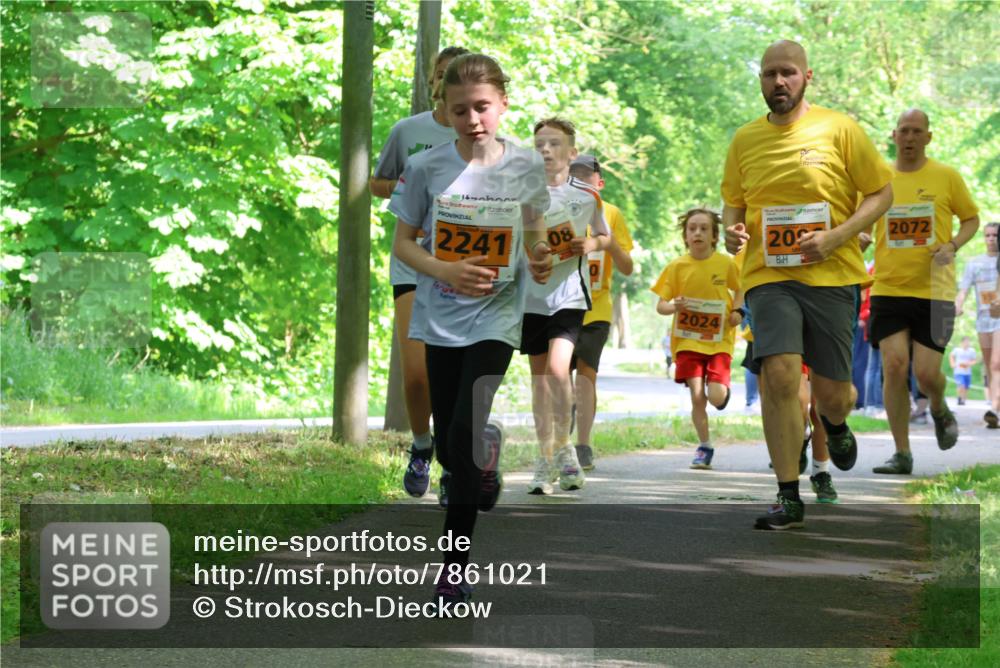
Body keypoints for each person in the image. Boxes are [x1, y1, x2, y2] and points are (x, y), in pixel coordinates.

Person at [390, 53, 551, 607]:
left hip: (497, 318)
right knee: (451, 443)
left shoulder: (526, 166)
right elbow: (403, 243)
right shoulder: (429, 167)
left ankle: (452, 568)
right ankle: (480, 460)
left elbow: (535, 235)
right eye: (460, 111)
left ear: (503, 103)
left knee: (460, 429)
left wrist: (543, 256)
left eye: (482, 107)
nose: (473, 119)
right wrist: (443, 269)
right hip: (439, 317)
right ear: (446, 112)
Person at [723, 40, 894, 529]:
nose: (778, 82)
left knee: (834, 393)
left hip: (832, 275)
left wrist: (838, 236)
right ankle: (787, 494)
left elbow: (882, 192)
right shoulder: (744, 140)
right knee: (778, 375)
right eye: (769, 74)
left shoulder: (839, 129)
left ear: (806, 77)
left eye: (788, 73)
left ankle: (835, 425)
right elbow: (733, 202)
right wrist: (731, 229)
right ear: (760, 79)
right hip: (768, 276)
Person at [371, 46, 470, 504]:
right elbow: (377, 182)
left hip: (465, 269)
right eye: (443, 73)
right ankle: (421, 446)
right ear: (434, 80)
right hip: (412, 260)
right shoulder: (408, 131)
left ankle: (454, 466)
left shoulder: (482, 136)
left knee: (454, 376)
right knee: (417, 375)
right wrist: (413, 184)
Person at [869, 109, 979, 475]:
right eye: (904, 130)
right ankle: (902, 453)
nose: (910, 137)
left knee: (928, 374)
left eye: (917, 131)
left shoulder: (946, 176)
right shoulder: (878, 178)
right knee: (894, 365)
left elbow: (971, 219)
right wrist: (859, 235)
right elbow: (860, 221)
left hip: (936, 291)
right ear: (894, 136)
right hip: (888, 287)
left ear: (928, 137)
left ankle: (938, 406)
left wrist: (953, 245)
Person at [524, 118, 611, 495]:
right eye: (540, 144)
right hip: (530, 297)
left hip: (569, 296)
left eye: (554, 144)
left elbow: (604, 235)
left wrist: (591, 245)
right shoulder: (522, 194)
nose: (546, 150)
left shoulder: (586, 196)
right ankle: (546, 458)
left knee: (560, 372)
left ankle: (566, 452)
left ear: (571, 153)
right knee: (541, 381)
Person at [653, 208, 742, 470]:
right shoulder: (677, 267)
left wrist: (737, 311)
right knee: (696, 396)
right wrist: (675, 307)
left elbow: (740, 289)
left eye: (704, 228)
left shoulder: (725, 263)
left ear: (714, 236)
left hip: (719, 340)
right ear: (685, 236)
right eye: (692, 228)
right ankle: (704, 446)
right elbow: (661, 305)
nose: (697, 233)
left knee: (714, 396)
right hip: (687, 340)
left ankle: (721, 393)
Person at [567, 154, 634, 471]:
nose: (580, 181)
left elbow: (627, 267)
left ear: (599, 183)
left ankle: (583, 444)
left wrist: (607, 244)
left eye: (586, 177)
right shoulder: (558, 207)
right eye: (574, 176)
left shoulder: (612, 214)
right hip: (561, 308)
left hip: (597, 309)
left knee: (585, 378)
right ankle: (561, 433)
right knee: (559, 381)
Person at [956, 222, 1000, 426]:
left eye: (995, 235)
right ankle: (995, 409)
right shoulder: (975, 263)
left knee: (996, 363)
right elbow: (963, 288)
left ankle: (994, 408)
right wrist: (958, 304)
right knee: (989, 364)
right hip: (984, 319)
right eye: (988, 235)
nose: (992, 239)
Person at [949, 337, 979, 406]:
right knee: (961, 385)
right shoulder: (957, 350)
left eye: (968, 342)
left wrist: (968, 364)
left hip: (967, 372)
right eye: (966, 342)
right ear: (962, 342)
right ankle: (959, 398)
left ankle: (963, 399)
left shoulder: (972, 351)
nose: (967, 343)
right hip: (958, 371)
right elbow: (951, 356)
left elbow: (974, 360)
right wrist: (952, 364)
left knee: (966, 387)